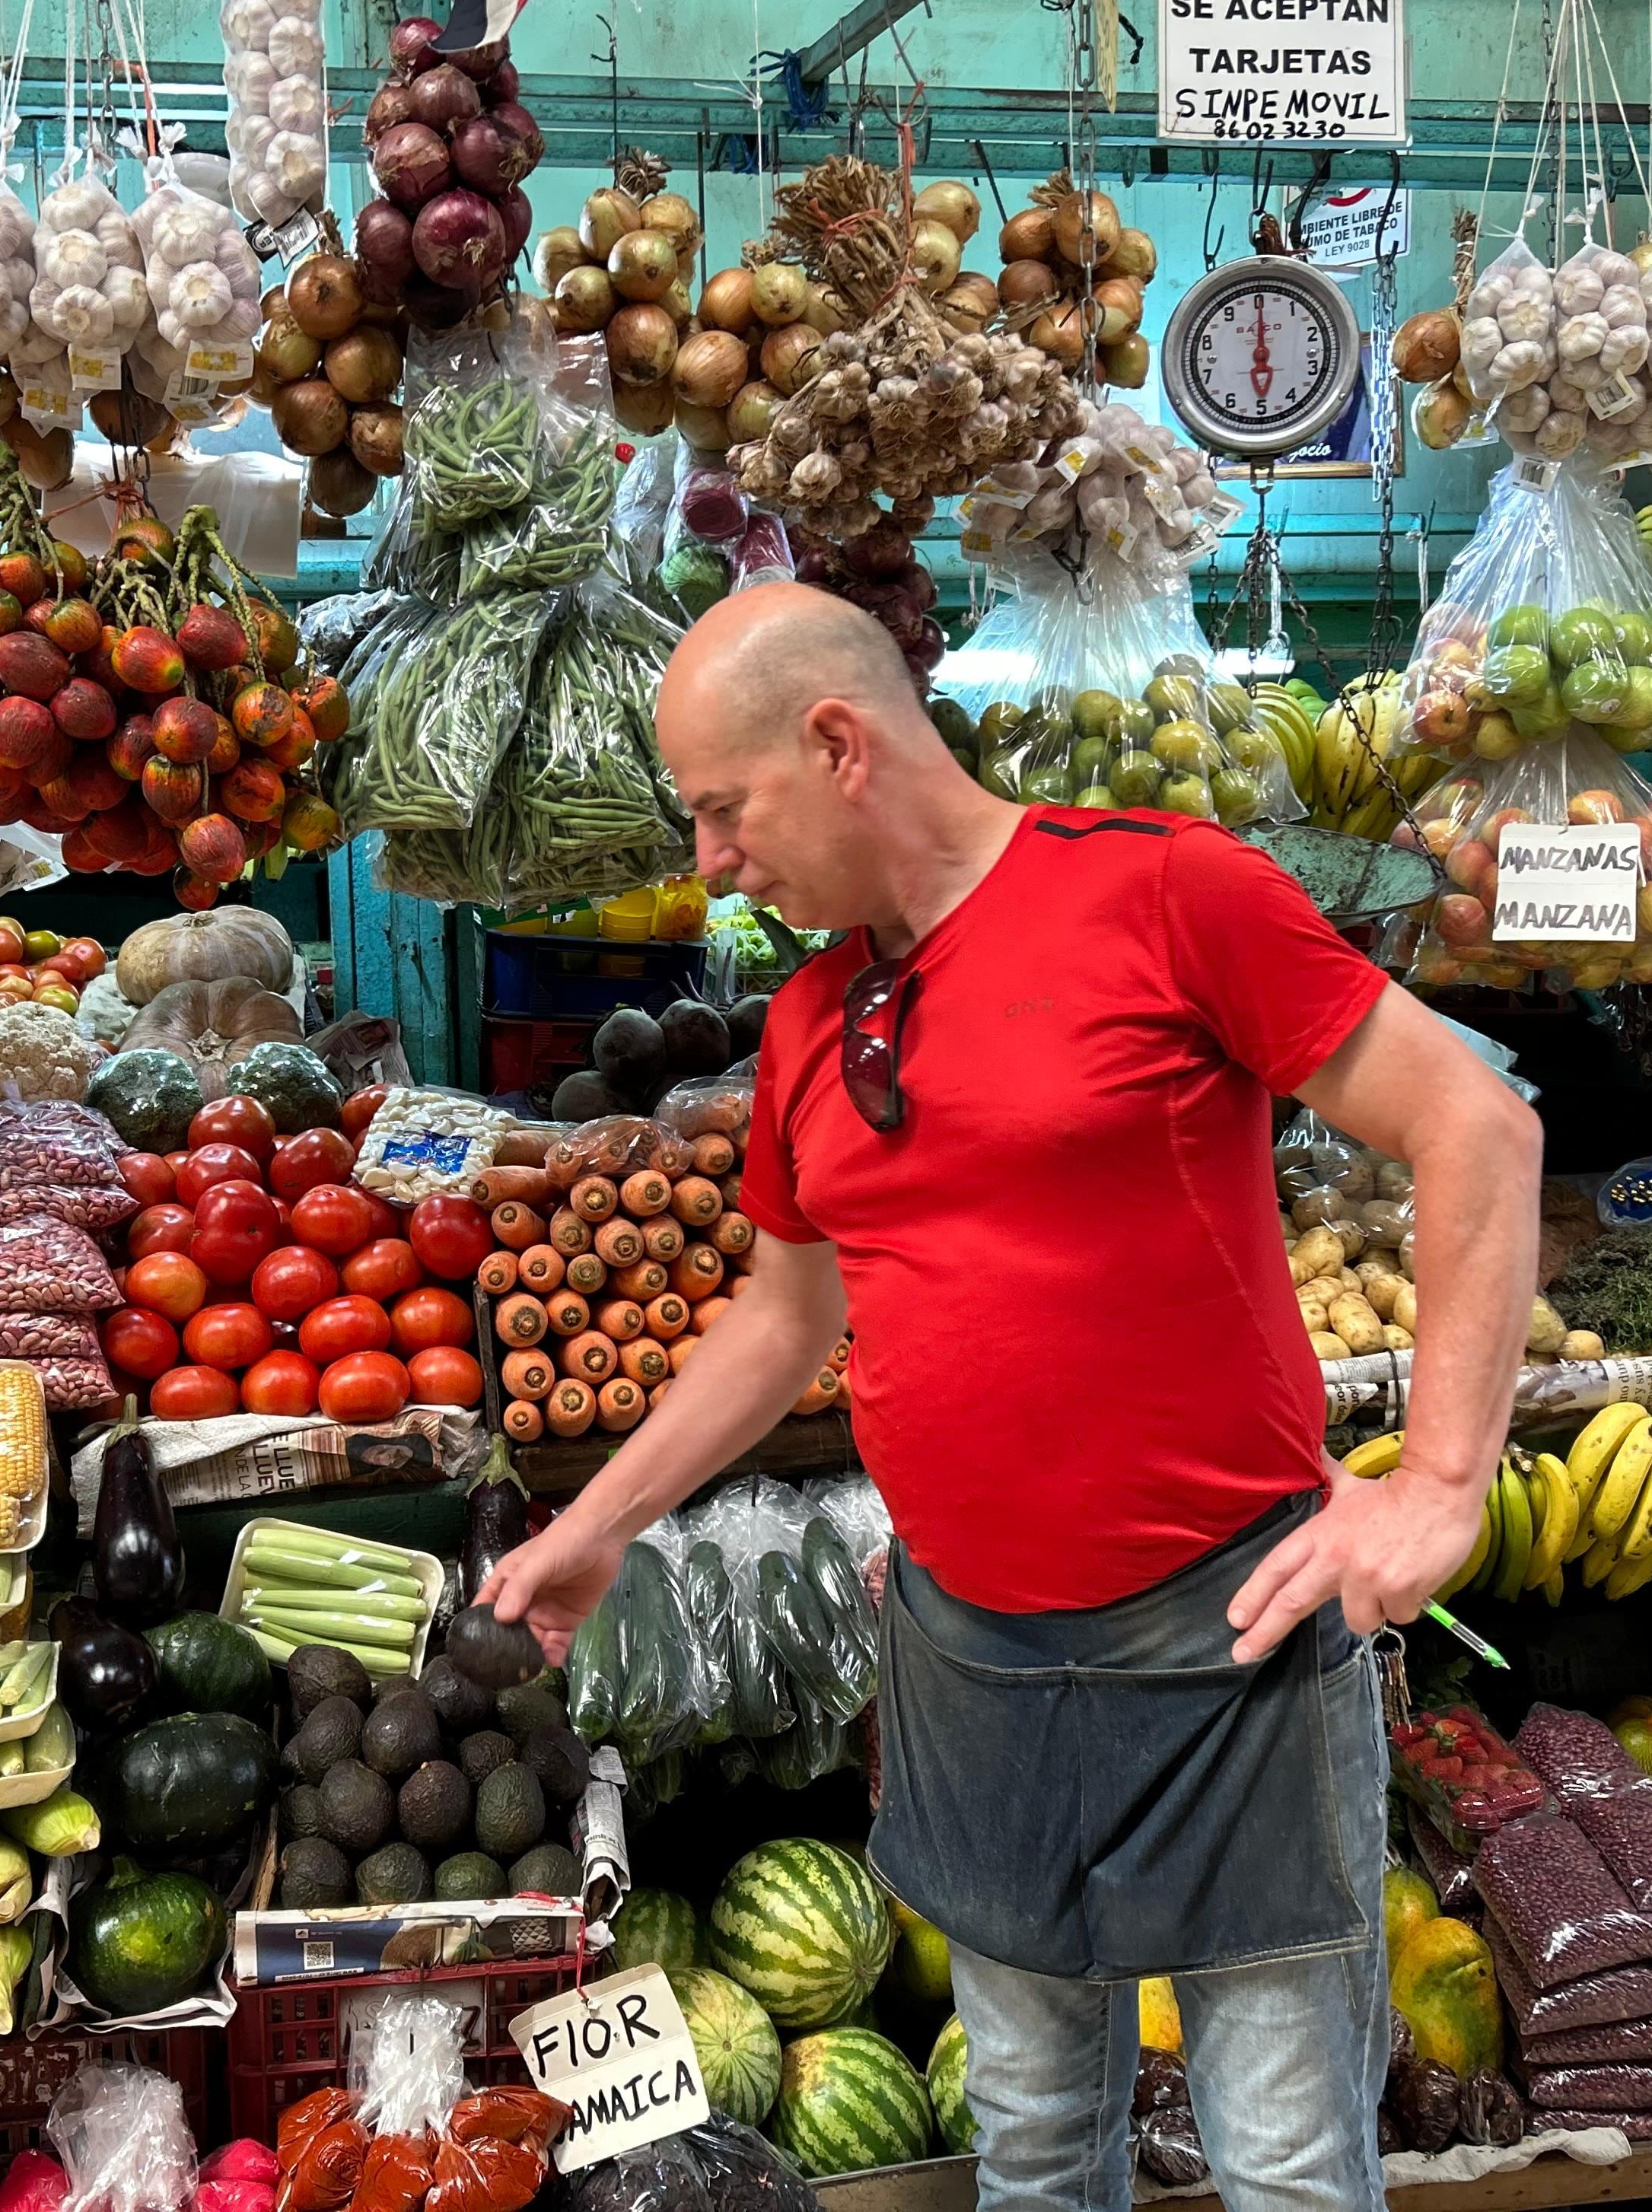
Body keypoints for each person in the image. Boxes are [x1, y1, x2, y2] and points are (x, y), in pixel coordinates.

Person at [480, 582, 1542, 2212]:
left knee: (1290, 2171)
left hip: (1231, 1650)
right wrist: (602, 1525)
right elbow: (780, 1326)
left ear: (837, 743)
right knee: (1037, 2156)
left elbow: (1477, 1124)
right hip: (969, 1660)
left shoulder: (1167, 892)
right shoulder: (811, 1022)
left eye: (718, 808)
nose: (707, 861)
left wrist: (1445, 1480)